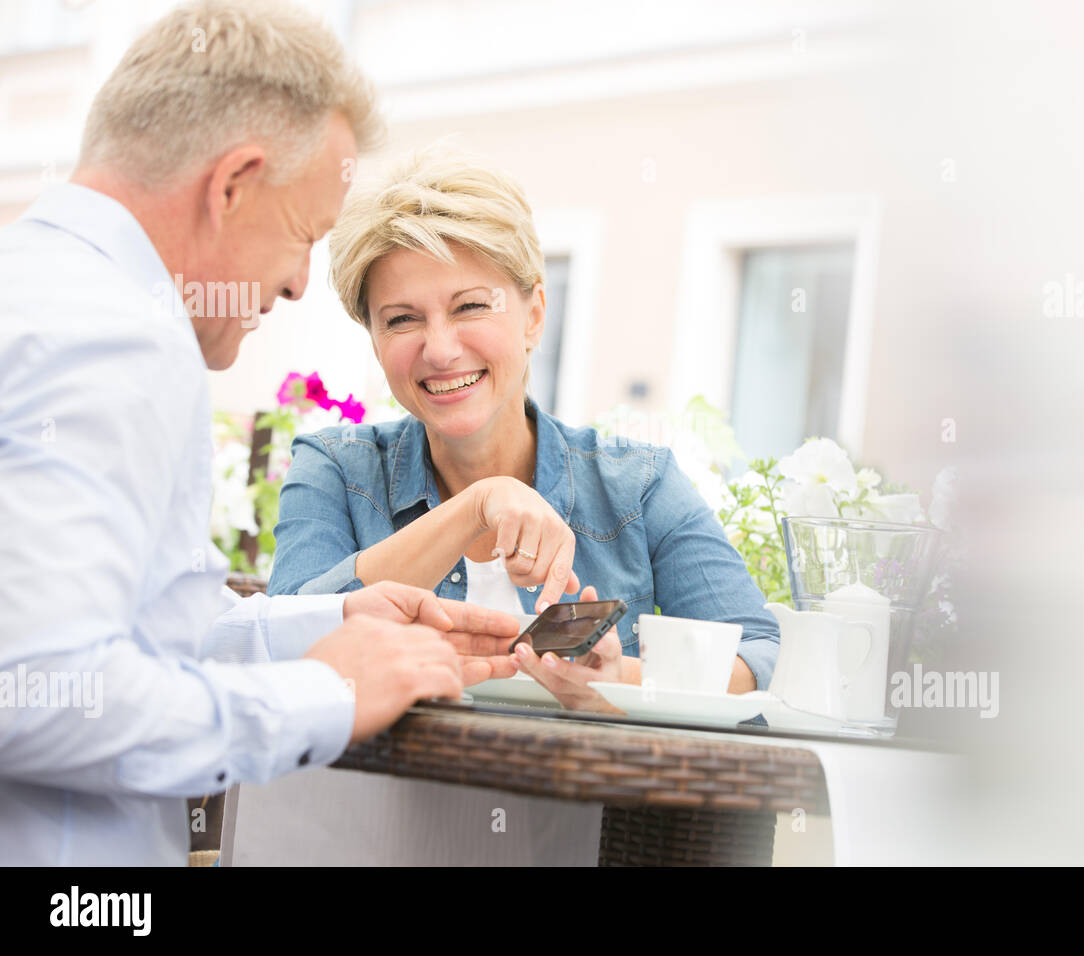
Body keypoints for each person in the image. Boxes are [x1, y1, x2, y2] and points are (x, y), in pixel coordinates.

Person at [0, 0, 518, 867]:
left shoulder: (40, 288)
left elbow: (134, 629)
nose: (296, 286)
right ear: (232, 184)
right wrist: (327, 693)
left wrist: (337, 622)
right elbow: (44, 692)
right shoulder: (113, 335)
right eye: (303, 235)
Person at [268, 147, 781, 711]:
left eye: (469, 307)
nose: (439, 350)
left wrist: (619, 679)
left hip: (595, 799)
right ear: (374, 340)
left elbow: (759, 656)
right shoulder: (336, 468)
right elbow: (283, 644)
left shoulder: (637, 484)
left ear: (534, 313)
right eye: (402, 319)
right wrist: (477, 506)